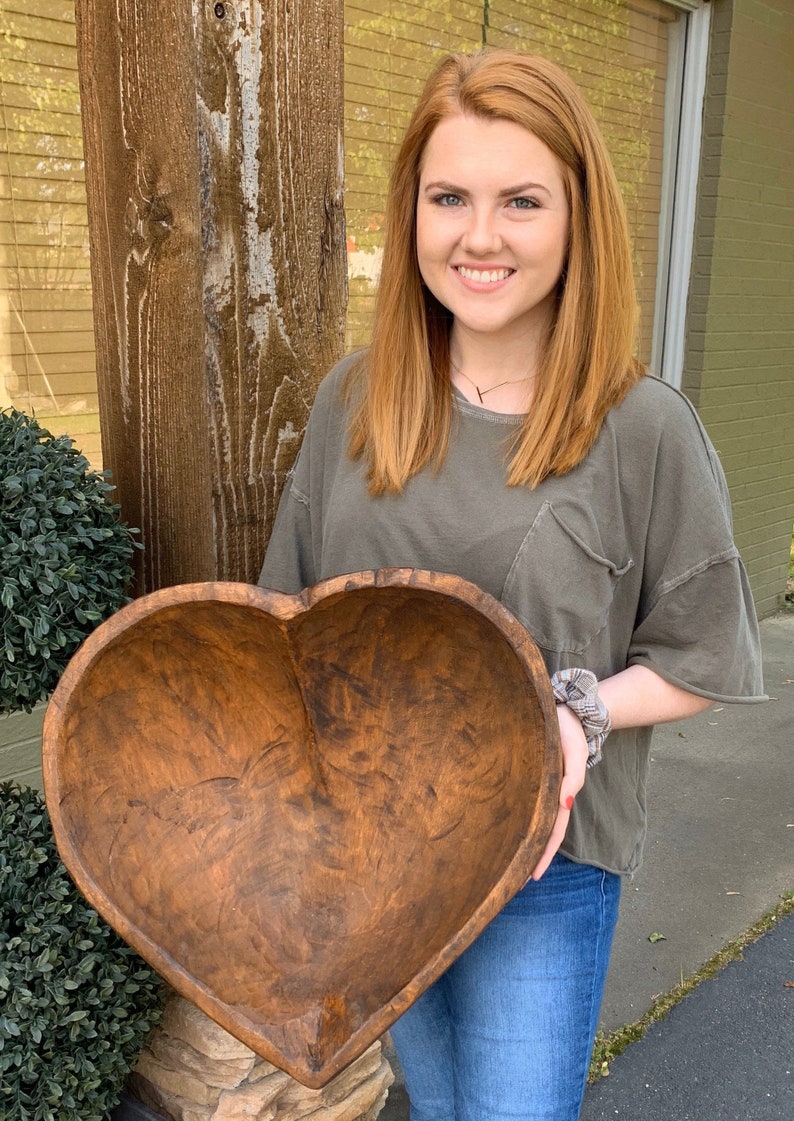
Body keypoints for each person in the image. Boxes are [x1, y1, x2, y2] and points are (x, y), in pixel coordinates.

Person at [259, 49, 765, 1121]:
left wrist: (580, 707)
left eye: (520, 201)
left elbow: (701, 656)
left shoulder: (641, 429)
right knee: (436, 1105)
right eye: (448, 196)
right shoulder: (354, 400)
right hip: (373, 855)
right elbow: (284, 637)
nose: (478, 236)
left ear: (577, 217)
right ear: (410, 215)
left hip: (544, 862)